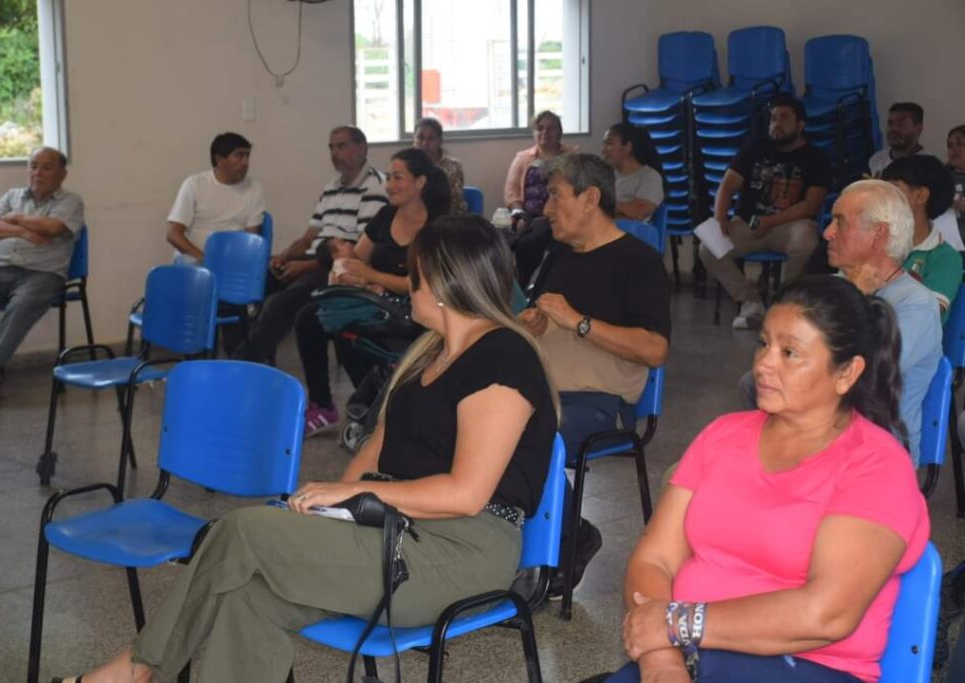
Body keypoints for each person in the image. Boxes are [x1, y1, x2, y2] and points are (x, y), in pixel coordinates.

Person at [52, 216, 558, 683]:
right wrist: (334, 506)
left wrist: (350, 496)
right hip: (394, 530)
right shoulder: (429, 353)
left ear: (446, 281)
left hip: (461, 552)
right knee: (247, 594)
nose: (407, 280)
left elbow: (466, 494)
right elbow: (375, 454)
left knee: (244, 531)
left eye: (415, 272)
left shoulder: (504, 356)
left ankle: (135, 670)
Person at [604, 275, 930, 683]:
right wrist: (661, 659)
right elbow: (655, 558)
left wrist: (679, 623)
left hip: (809, 668)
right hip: (688, 655)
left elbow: (826, 614)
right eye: (764, 344)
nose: (763, 364)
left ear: (847, 373)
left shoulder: (877, 466)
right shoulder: (722, 436)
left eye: (789, 352)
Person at [520, 153, 671, 596]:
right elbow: (548, 317)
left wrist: (579, 322)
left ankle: (572, 538)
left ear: (589, 198)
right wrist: (534, 322)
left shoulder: (638, 261)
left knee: (521, 433)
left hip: (597, 400)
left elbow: (655, 349)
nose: (547, 208)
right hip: (541, 388)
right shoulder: (558, 254)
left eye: (556, 196)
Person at [295, 147, 451, 435]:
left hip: (416, 311)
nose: (389, 184)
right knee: (309, 318)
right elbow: (357, 259)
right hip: (376, 302)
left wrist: (372, 276)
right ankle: (324, 406)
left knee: (348, 332)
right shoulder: (385, 215)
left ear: (420, 182)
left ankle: (373, 408)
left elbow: (419, 284)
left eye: (398, 177)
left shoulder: (436, 225)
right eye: (388, 177)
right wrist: (347, 270)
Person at [231, 125, 387, 363]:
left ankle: (240, 364)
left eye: (341, 146)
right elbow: (308, 238)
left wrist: (304, 267)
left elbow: (356, 251)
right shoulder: (331, 187)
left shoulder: (375, 187)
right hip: (314, 258)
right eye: (331, 148)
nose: (335, 153)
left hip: (339, 267)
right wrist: (283, 257)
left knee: (280, 302)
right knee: (253, 284)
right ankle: (255, 359)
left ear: (362, 148)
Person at [823, 180, 941, 464]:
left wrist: (857, 296)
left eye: (840, 222)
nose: (827, 233)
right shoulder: (830, 287)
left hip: (876, 455)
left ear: (878, 234)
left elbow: (861, 377)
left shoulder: (916, 305)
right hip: (820, 435)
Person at [0, 147, 84, 408]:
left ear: (62, 174)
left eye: (46, 167)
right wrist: (23, 232)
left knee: (22, 304)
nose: (38, 173)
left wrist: (15, 218)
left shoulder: (70, 201)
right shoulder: (12, 195)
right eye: (33, 166)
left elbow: (52, 227)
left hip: (43, 274)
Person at [700, 93, 831, 330]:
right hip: (748, 225)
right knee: (708, 246)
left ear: (801, 124)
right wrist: (719, 218)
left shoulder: (817, 158)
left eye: (784, 118)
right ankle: (751, 302)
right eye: (773, 118)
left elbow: (811, 205)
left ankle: (785, 302)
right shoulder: (754, 147)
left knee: (806, 240)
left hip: (790, 226)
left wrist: (771, 222)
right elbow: (727, 186)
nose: (776, 124)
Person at [881, 155, 962, 319]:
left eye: (894, 189)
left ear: (921, 196)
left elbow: (923, 319)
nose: (883, 198)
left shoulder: (945, 258)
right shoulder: (875, 243)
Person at [165, 132, 266, 264]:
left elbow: (251, 239)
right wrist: (205, 259)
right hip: (194, 257)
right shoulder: (194, 184)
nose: (245, 163)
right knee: (193, 269)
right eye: (239, 155)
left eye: (247, 156)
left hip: (231, 260)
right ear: (219, 159)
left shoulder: (254, 188)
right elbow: (173, 234)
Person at [505, 110, 579, 284]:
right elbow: (511, 192)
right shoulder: (522, 158)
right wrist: (519, 214)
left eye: (550, 128)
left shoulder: (572, 158)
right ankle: (522, 285)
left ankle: (533, 284)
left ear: (560, 133)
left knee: (531, 241)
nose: (545, 132)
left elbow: (577, 190)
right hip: (526, 218)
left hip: (560, 216)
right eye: (540, 128)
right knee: (504, 241)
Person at [601, 122, 665, 222]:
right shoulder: (605, 175)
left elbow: (639, 211)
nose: (603, 150)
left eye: (609, 144)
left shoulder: (650, 177)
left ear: (628, 147)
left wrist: (605, 206)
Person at [413, 116, 467, 215]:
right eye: (420, 138)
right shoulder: (407, 165)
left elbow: (453, 203)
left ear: (440, 141)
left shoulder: (453, 166)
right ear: (414, 140)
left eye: (431, 138)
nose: (425, 143)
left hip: (446, 218)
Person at [869, 102, 925, 178]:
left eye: (902, 124)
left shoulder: (929, 167)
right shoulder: (876, 160)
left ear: (918, 129)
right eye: (890, 123)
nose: (894, 128)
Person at [947, 124, 965, 245]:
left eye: (960, 143)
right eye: (950, 145)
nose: (954, 149)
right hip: (946, 244)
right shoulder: (940, 176)